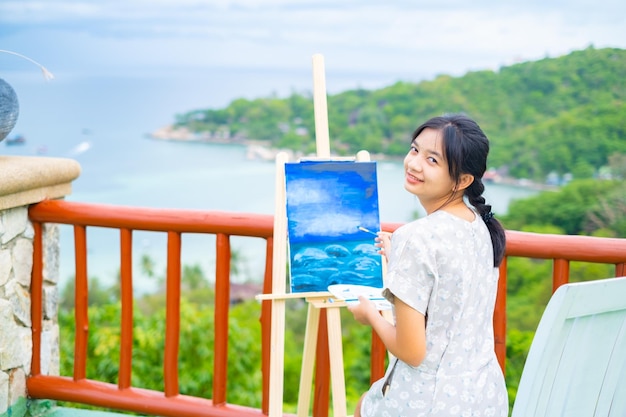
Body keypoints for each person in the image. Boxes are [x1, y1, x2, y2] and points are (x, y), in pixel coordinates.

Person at [348, 114, 508, 416]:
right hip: (483, 396)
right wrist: (399, 256)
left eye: (432, 160)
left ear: (462, 180)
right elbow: (447, 286)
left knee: (363, 407)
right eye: (414, 149)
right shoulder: (480, 227)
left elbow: (412, 352)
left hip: (427, 402)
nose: (414, 163)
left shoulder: (416, 238)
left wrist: (370, 314)